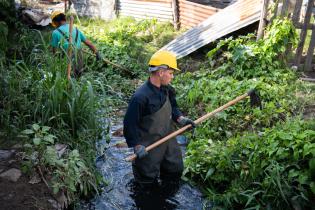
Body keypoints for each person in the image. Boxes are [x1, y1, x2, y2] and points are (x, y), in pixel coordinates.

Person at [123, 50, 195, 189]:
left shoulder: (168, 90)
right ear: (161, 72)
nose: (172, 76)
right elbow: (129, 124)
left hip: (168, 139)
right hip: (148, 147)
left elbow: (173, 107)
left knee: (174, 170)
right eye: (171, 73)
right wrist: (137, 146)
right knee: (147, 183)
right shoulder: (140, 97)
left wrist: (180, 119)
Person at [50, 11, 101, 77]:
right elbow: (88, 43)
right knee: (78, 76)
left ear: (55, 22)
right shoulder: (76, 29)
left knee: (67, 79)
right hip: (79, 56)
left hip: (66, 57)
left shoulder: (55, 32)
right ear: (64, 19)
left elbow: (55, 52)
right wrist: (96, 52)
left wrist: (56, 60)